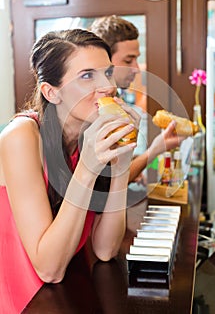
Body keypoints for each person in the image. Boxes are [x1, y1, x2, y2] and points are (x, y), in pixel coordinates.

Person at [0, 29, 140, 313]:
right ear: (51, 92)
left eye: (108, 73)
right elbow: (49, 269)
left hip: (63, 296)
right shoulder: (23, 137)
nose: (107, 87)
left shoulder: (89, 138)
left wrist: (122, 161)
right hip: (24, 300)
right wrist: (87, 168)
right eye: (87, 76)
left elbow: (105, 249)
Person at [90, 15, 184, 184]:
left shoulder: (114, 101)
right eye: (128, 60)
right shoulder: (93, 108)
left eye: (136, 59)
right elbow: (109, 183)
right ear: (105, 60)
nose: (136, 69)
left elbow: (116, 171)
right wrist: (154, 150)